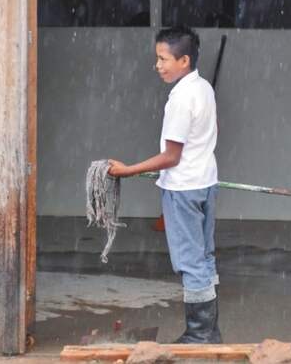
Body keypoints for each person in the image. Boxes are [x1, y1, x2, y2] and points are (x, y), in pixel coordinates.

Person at [107, 25, 222, 344]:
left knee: (191, 262)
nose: (157, 65)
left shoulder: (181, 99)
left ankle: (198, 335)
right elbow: (212, 132)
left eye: (163, 59)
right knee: (205, 256)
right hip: (206, 182)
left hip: (184, 189)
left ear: (183, 60)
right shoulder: (204, 88)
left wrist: (128, 170)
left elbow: (171, 156)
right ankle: (211, 333)